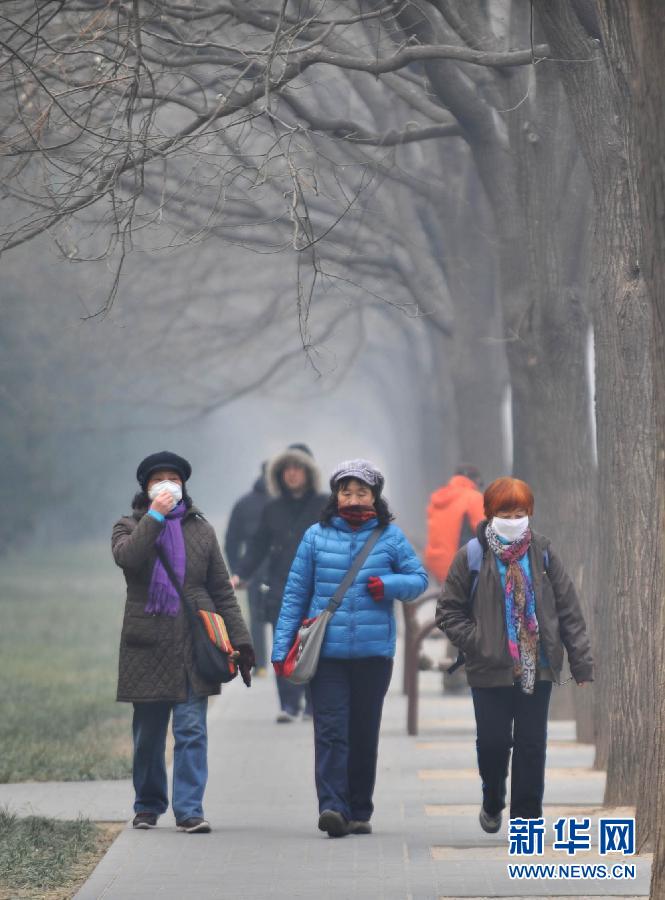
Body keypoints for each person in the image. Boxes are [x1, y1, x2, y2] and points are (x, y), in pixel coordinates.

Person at [272, 459, 428, 837]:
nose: (354, 498)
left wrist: (388, 586)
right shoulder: (315, 537)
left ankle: (359, 809)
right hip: (326, 655)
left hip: (374, 656)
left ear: (375, 496)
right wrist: (281, 649)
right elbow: (295, 595)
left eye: (362, 492)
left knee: (363, 733)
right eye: (347, 492)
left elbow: (418, 579)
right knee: (330, 731)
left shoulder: (390, 537)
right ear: (336, 496)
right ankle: (332, 807)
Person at [436, 476, 593, 833]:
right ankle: (493, 798)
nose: (513, 519)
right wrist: (478, 640)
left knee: (531, 746)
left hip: (537, 667)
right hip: (488, 668)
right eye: (505, 513)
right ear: (490, 513)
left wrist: (581, 663)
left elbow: (569, 610)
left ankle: (526, 822)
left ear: (530, 513)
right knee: (493, 745)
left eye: (519, 513)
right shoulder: (471, 556)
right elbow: (447, 612)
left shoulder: (544, 552)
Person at [112, 451, 254, 834]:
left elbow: (222, 590)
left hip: (195, 641)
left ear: (184, 485)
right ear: (146, 487)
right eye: (158, 479)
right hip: (147, 645)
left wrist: (241, 641)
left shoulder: (201, 530)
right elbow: (128, 559)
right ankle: (148, 805)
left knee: (191, 730)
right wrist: (155, 517)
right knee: (148, 736)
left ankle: (189, 809)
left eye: (173, 479)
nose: (167, 485)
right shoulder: (128, 526)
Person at [231, 443, 327, 722]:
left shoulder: (324, 505)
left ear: (309, 472)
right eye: (287, 469)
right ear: (279, 474)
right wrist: (241, 573)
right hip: (280, 586)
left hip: (316, 587)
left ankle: (312, 704)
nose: (292, 473)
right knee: (283, 648)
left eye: (298, 468)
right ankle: (288, 704)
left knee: (312, 648)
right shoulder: (272, 509)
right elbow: (257, 546)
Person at [224, 462, 270, 674]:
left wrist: (238, 571)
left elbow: (231, 542)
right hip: (260, 568)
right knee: (264, 615)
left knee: (260, 616)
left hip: (263, 568)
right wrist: (238, 572)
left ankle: (263, 666)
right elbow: (232, 541)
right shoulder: (246, 504)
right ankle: (266, 664)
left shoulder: (245, 503)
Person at [425, 464, 484, 584]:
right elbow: (487, 533)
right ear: (474, 480)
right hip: (461, 569)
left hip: (437, 568)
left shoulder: (438, 498)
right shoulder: (473, 498)